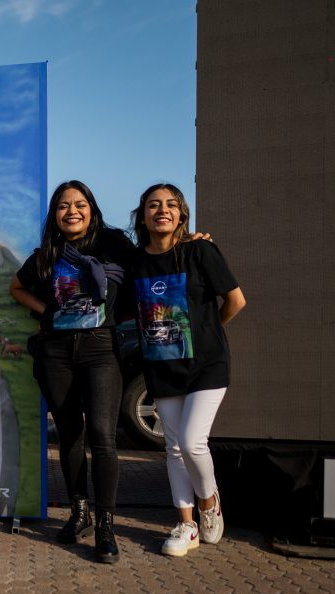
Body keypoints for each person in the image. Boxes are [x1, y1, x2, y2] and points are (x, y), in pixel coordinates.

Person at [10, 180, 132, 563]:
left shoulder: (114, 244)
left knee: (102, 435)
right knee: (70, 434)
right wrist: (48, 311)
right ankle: (80, 512)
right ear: (55, 214)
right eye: (63, 206)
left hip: (100, 350)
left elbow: (148, 271)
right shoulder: (48, 253)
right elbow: (17, 287)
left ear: (91, 209)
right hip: (55, 352)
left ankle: (106, 524)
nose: (72, 211)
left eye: (79, 204)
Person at [127, 183, 245, 557]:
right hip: (162, 368)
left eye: (171, 204)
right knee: (174, 449)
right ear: (142, 215)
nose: (162, 210)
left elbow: (236, 300)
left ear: (181, 214)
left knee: (193, 441)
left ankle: (209, 504)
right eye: (154, 205)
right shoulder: (135, 262)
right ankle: (185, 524)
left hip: (206, 366)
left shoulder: (199, 250)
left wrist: (209, 331)